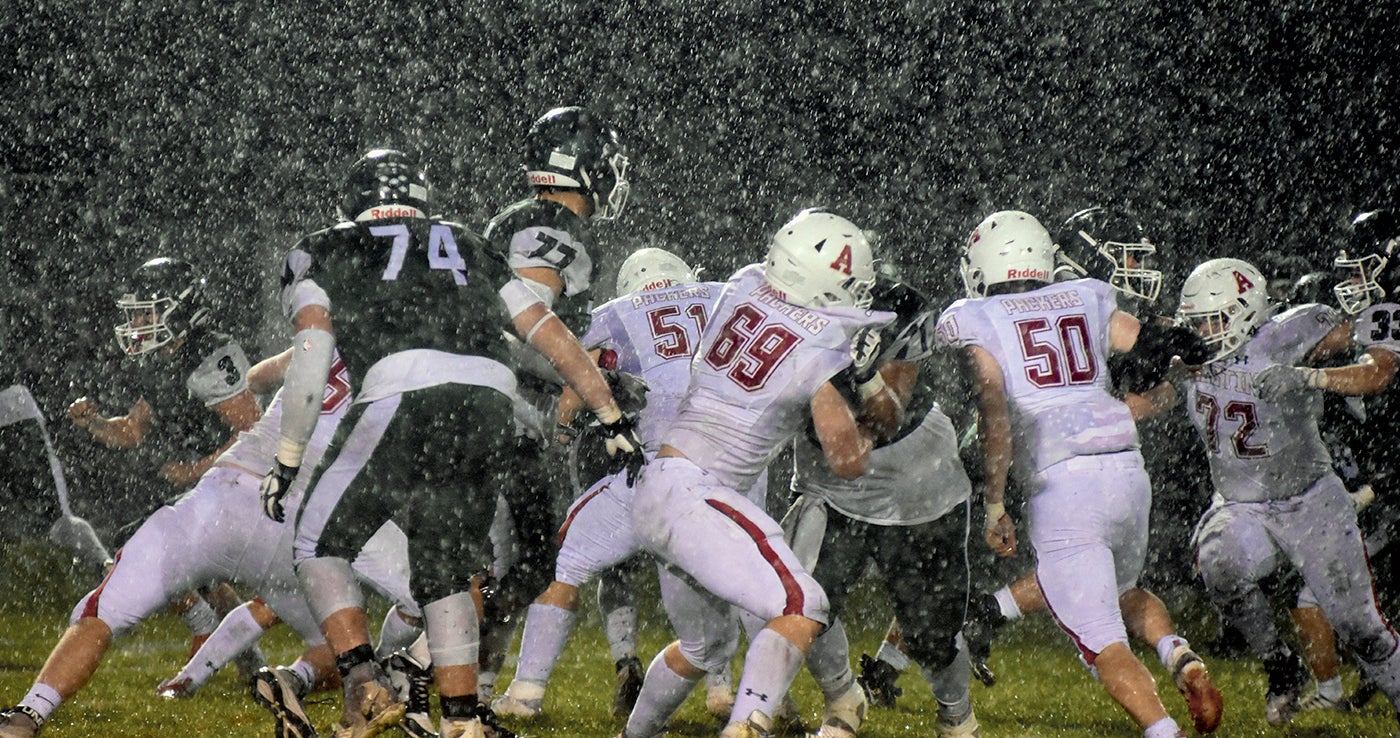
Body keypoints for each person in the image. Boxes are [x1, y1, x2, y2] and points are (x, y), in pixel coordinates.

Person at [262, 147, 642, 738]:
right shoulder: (465, 241)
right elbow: (549, 334)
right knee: (446, 572)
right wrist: (611, 415)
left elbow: (312, 357)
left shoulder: (326, 246)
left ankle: (365, 683)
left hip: (401, 391)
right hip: (489, 401)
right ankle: (463, 721)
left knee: (316, 541)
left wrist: (287, 459)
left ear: (353, 203)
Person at [0, 346, 416, 738]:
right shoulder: (408, 364)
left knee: (99, 612)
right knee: (401, 613)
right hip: (309, 516)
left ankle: (27, 714)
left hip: (224, 499)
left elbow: (254, 380)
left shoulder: (318, 335)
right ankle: (368, 672)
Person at [935, 210, 1220, 738]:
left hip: (1062, 481)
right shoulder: (1084, 295)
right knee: (1121, 589)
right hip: (1126, 468)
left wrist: (995, 503)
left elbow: (994, 413)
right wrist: (1184, 351)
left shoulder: (972, 317)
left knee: (1102, 643)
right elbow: (1151, 343)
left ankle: (1164, 731)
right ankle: (1180, 658)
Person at [621, 209, 892, 738]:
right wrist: (863, 384)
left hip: (657, 487)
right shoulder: (826, 342)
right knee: (803, 604)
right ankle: (747, 725)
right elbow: (849, 460)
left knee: (706, 646)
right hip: (700, 495)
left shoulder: (744, 283)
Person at [494, 248, 749, 721]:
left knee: (564, 560)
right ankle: (746, 696)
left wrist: (564, 426)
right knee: (739, 579)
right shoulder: (727, 296)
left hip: (659, 473)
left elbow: (566, 371)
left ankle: (526, 692)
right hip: (733, 467)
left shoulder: (615, 314)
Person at [1173, 255, 1400, 728]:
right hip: (1240, 505)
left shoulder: (1289, 332)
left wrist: (1308, 375)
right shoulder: (1186, 354)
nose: (1205, 333)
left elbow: (1374, 363)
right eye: (1196, 323)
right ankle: (1280, 665)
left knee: (1363, 630)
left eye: (1215, 320)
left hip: (1310, 498)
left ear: (1245, 311)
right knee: (1220, 563)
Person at [477, 105, 637, 706]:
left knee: (514, 561)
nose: (613, 173)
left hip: (501, 405)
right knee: (512, 560)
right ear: (578, 164)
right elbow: (526, 329)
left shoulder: (527, 221)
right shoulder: (552, 228)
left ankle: (478, 689)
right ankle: (421, 676)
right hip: (509, 410)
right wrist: (588, 382)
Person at [783, 269, 981, 737]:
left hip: (913, 481)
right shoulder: (784, 312)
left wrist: (866, 375)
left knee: (932, 632)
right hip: (828, 480)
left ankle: (957, 715)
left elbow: (888, 417)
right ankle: (842, 700)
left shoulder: (896, 306)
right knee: (803, 602)